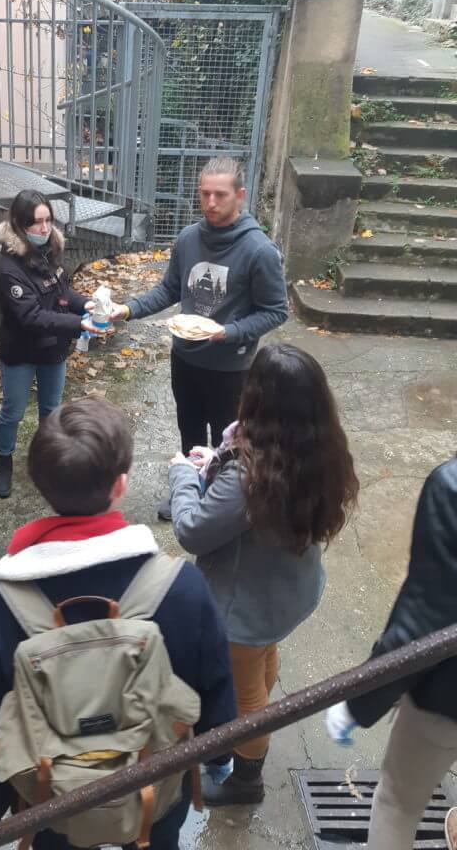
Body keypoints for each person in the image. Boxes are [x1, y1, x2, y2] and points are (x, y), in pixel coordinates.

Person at [0, 397, 237, 847]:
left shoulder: (1, 608)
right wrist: (215, 755)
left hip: (52, 804)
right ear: (121, 484)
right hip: (155, 794)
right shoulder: (182, 589)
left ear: (41, 485)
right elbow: (217, 708)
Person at [169, 343, 358, 806]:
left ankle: (246, 780)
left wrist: (183, 477)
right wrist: (213, 462)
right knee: (260, 660)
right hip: (286, 590)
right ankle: (249, 712)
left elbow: (192, 531)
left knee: (247, 695)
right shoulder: (317, 449)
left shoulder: (247, 476)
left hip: (245, 604)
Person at [110, 157, 288, 517]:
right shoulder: (188, 238)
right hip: (186, 359)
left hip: (232, 368)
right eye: (204, 193)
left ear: (240, 195)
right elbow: (169, 290)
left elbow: (276, 310)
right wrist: (127, 309)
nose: (210, 202)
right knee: (189, 431)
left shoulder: (259, 251)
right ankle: (187, 490)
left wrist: (229, 331)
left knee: (228, 440)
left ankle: (221, 503)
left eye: (220, 195)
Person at [325, 455, 457, 850]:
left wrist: (359, 702)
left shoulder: (452, 488)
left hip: (446, 701)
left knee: (397, 803)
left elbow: (422, 628)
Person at [0, 190, 100, 499]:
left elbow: (62, 293)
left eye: (48, 220)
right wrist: (78, 324)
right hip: (21, 351)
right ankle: (4, 459)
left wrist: (86, 304)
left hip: (53, 348)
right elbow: (31, 316)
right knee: (13, 411)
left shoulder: (50, 250)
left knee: (51, 410)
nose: (44, 228)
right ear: (20, 224)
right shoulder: (8, 267)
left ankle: (47, 461)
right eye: (36, 222)